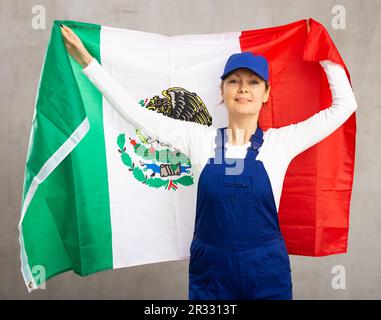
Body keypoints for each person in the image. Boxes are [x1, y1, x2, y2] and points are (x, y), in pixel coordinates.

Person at [60, 24, 358, 300]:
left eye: (254, 82)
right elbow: (136, 114)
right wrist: (88, 63)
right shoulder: (197, 139)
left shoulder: (282, 142)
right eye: (234, 81)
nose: (243, 88)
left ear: (266, 93)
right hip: (211, 274)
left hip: (266, 273)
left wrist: (324, 53)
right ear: (222, 91)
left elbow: (345, 105)